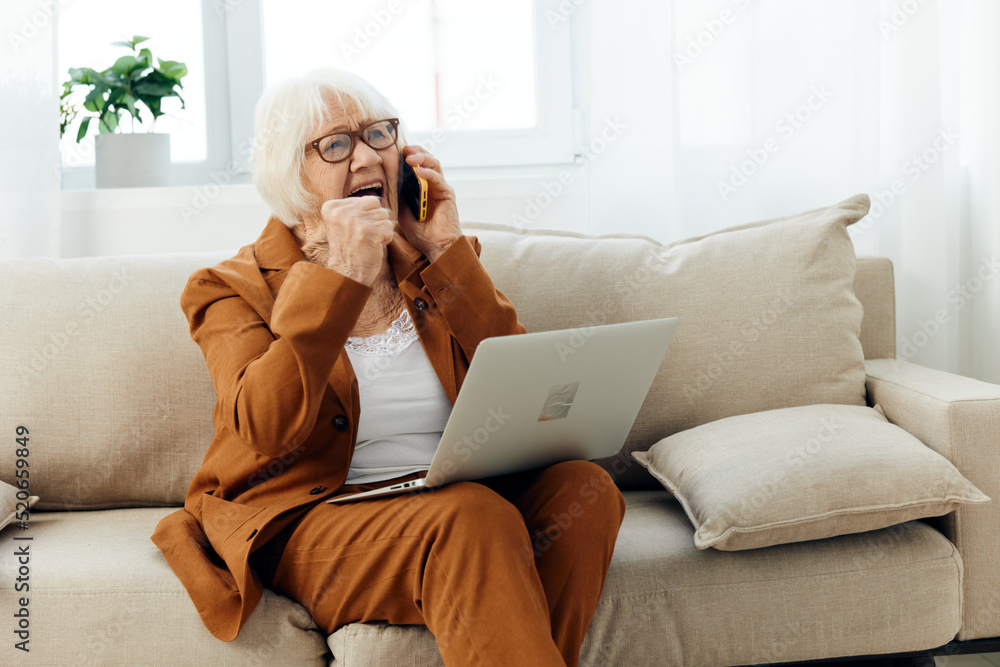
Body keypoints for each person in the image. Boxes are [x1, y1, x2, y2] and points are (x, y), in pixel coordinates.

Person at [151, 68, 626, 667]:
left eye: (379, 135)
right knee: (471, 519)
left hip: (449, 491)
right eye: (336, 144)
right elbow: (264, 426)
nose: (367, 157)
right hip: (311, 520)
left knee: (585, 489)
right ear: (287, 171)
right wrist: (339, 279)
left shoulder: (430, 261)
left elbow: (521, 379)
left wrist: (446, 250)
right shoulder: (228, 288)